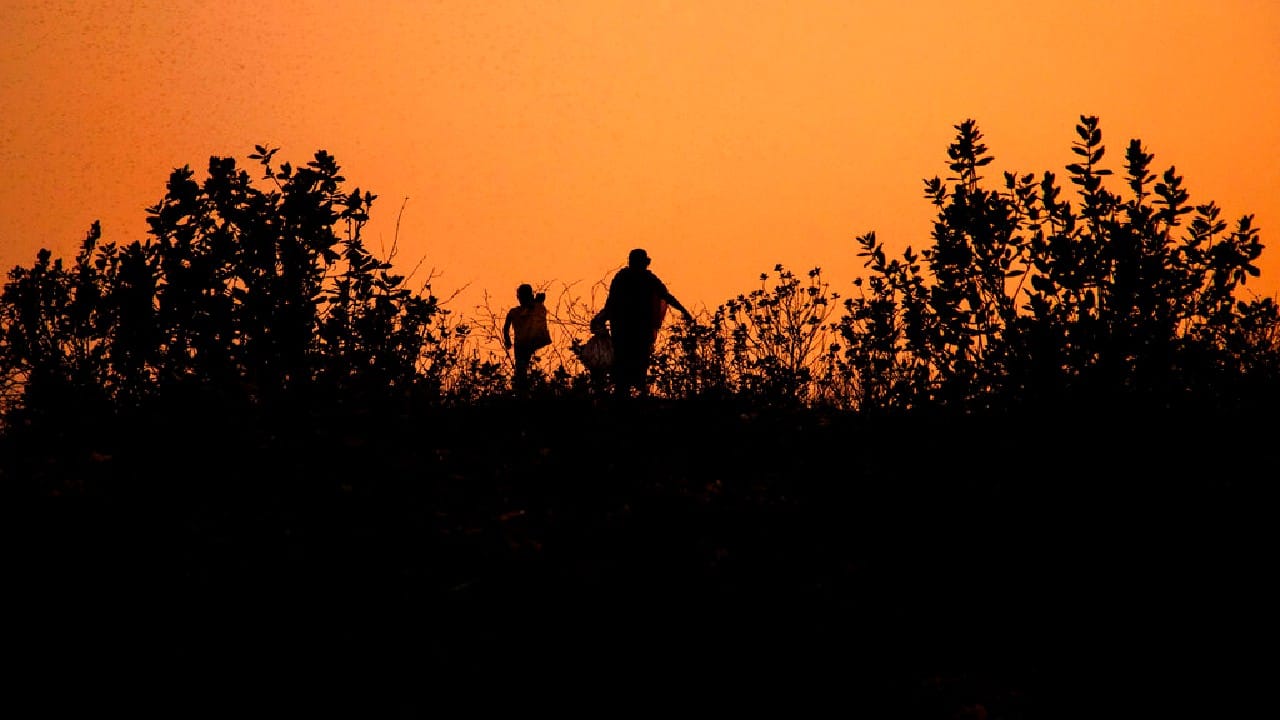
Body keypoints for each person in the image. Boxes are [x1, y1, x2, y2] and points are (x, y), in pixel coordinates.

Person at [597, 248, 694, 396]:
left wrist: (602, 318)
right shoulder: (646, 279)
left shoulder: (623, 278)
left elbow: (611, 303)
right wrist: (684, 311)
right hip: (637, 331)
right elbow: (666, 296)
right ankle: (636, 396)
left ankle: (626, 396)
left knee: (624, 365)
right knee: (637, 364)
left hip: (624, 330)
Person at [503, 283, 550, 394]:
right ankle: (522, 390)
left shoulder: (535, 308)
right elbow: (506, 328)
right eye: (521, 296)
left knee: (522, 369)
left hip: (531, 342)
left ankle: (523, 389)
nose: (521, 299)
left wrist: (538, 302)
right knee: (521, 369)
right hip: (521, 344)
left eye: (524, 296)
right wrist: (507, 341)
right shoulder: (515, 312)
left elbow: (539, 315)